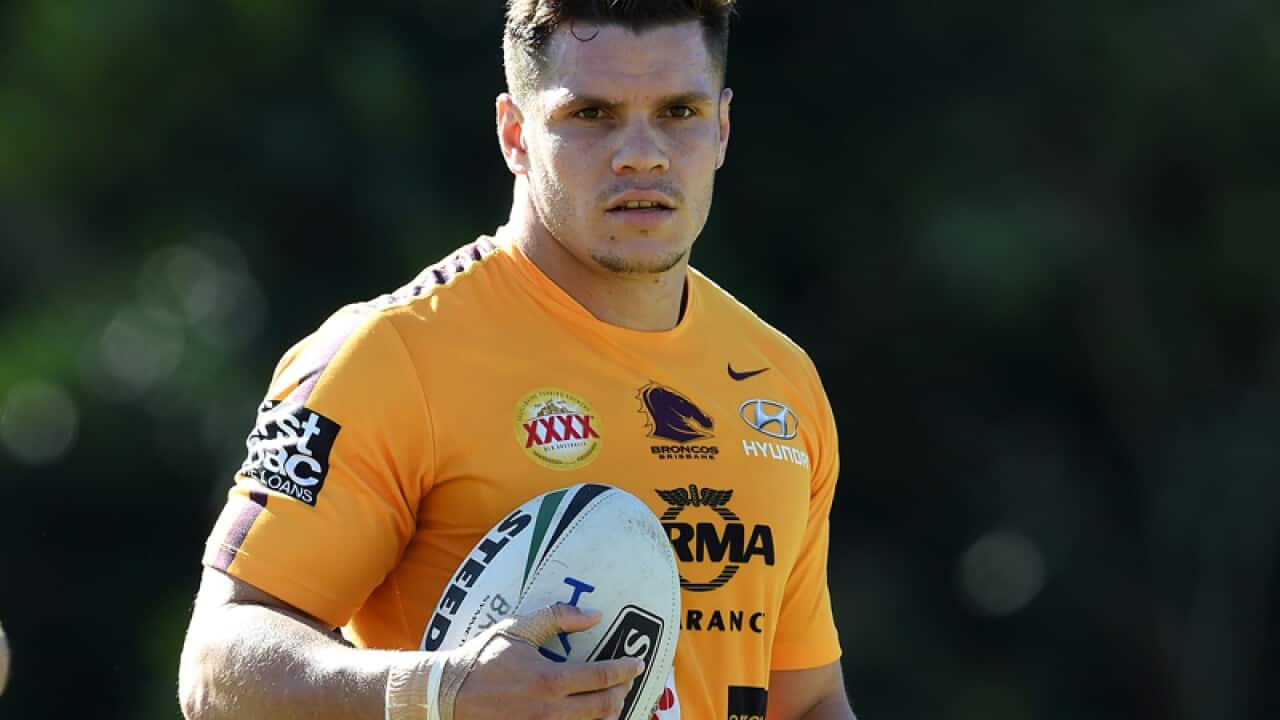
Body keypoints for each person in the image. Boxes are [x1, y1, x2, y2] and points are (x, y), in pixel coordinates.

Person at [178, 1, 855, 719]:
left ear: (721, 128)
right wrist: (435, 691)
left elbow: (807, 700)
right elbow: (217, 664)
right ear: (514, 133)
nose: (642, 154)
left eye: (678, 112)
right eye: (591, 114)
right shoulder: (391, 355)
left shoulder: (780, 382)